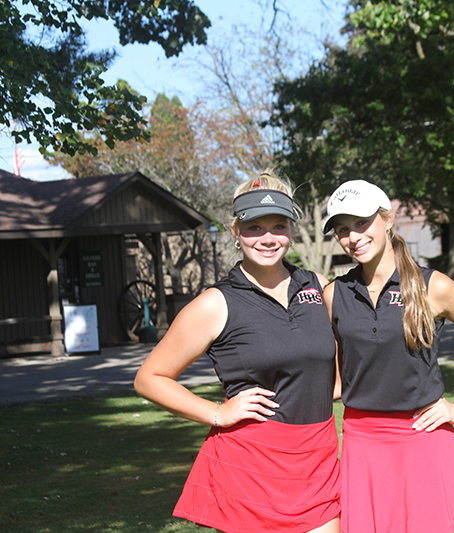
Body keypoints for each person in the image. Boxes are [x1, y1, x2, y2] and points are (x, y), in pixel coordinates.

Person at [134, 170, 341, 533]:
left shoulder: (317, 286)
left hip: (317, 456)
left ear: (291, 229)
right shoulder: (215, 303)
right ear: (235, 231)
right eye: (254, 228)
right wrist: (217, 412)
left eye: (278, 225)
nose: (268, 238)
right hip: (252, 465)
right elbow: (149, 378)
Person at [322, 180, 454, 533]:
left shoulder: (433, 287)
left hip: (421, 436)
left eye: (362, 223)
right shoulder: (335, 294)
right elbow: (336, 379)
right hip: (362, 441)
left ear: (388, 219)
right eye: (342, 229)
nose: (353, 237)